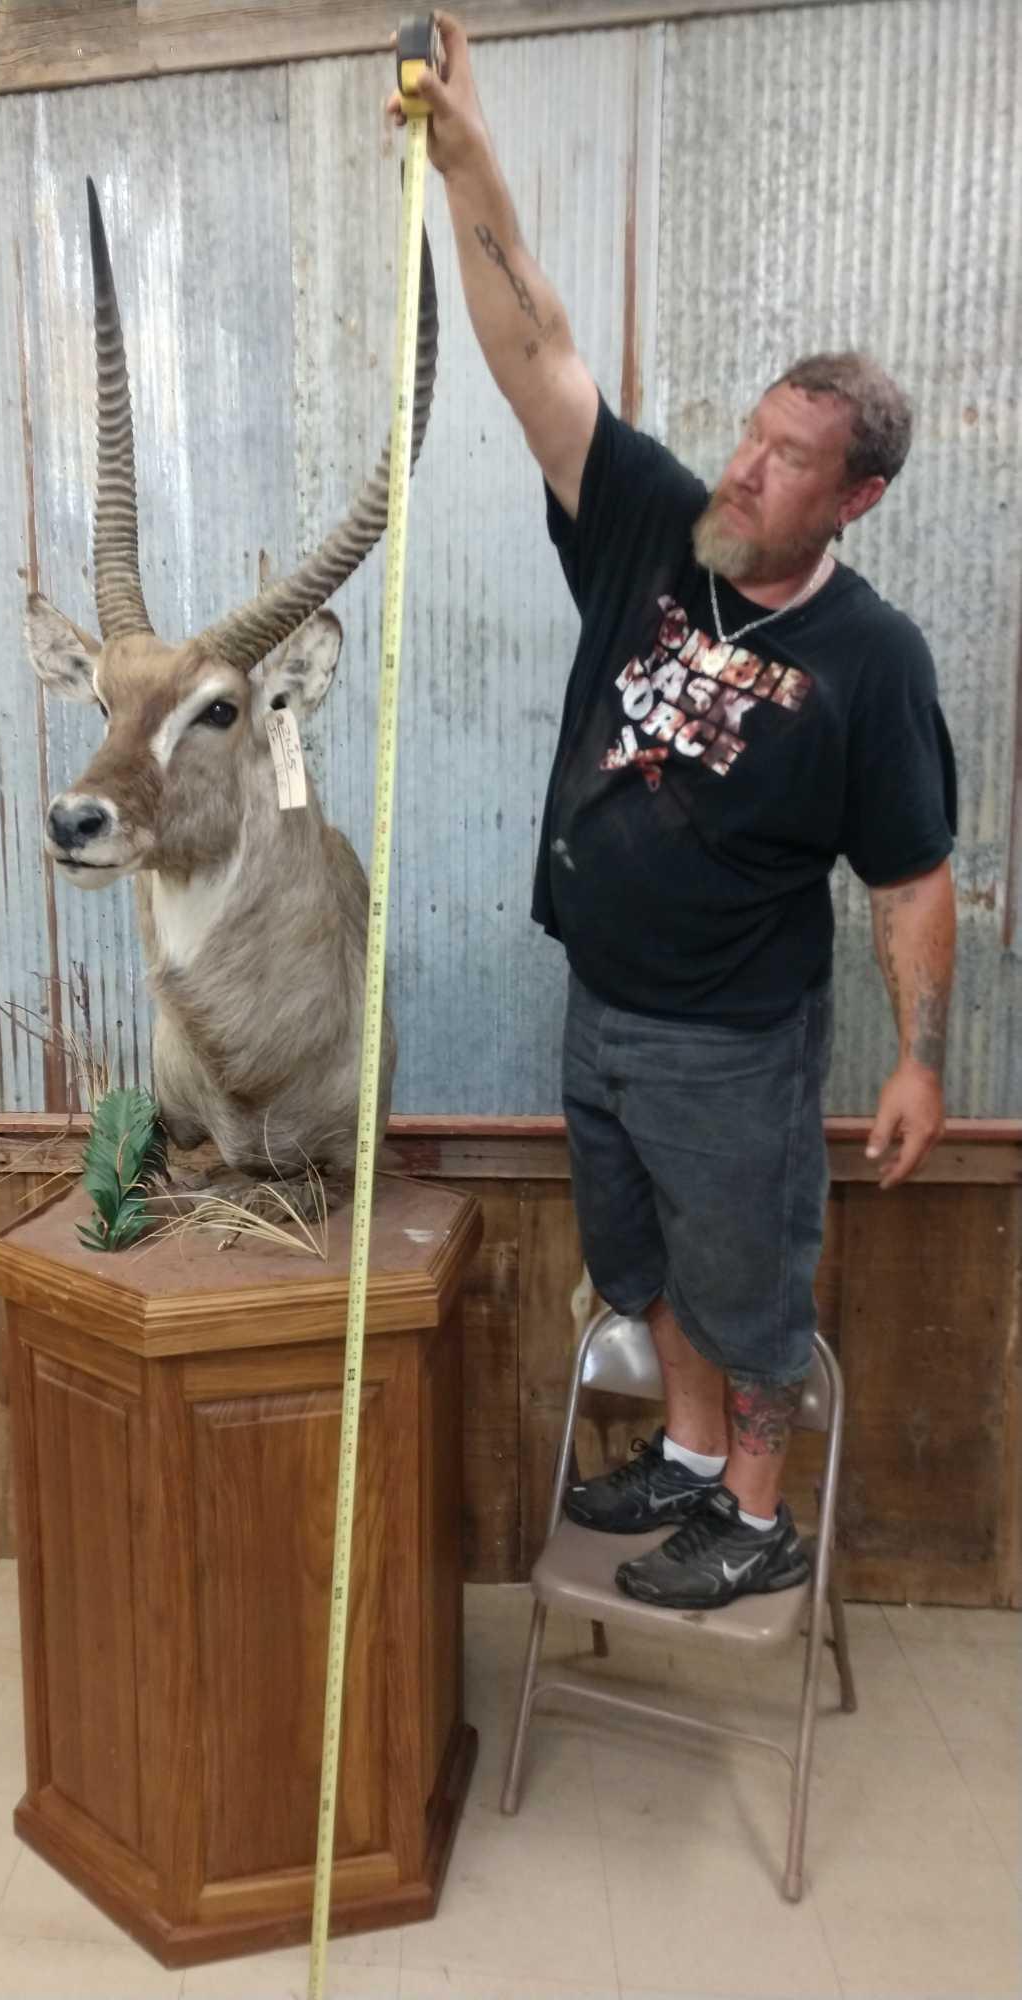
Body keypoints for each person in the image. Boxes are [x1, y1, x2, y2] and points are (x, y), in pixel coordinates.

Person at [390, 14, 958, 1609]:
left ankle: (761, 1510)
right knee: (645, 1266)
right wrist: (468, 148)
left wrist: (920, 1060)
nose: (749, 466)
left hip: (733, 1036)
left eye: (790, 463)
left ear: (855, 498)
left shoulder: (870, 659)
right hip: (605, 1006)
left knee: (745, 1278)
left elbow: (913, 877)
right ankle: (697, 1462)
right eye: (754, 433)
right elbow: (533, 348)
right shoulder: (655, 522)